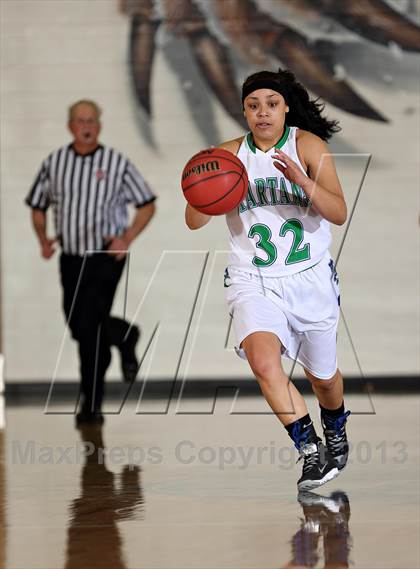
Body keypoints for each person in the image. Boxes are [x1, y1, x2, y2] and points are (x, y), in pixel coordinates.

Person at [185, 69, 350, 491]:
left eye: (271, 104)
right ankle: (310, 449)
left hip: (308, 277)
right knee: (263, 362)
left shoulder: (308, 146)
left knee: (324, 379)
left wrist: (302, 181)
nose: (262, 113)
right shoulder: (226, 155)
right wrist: (205, 191)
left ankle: (335, 425)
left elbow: (338, 212)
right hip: (252, 278)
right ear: (243, 110)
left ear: (285, 107)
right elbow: (192, 221)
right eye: (254, 105)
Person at [26, 100, 156, 426]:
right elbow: (37, 205)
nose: (86, 126)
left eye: (92, 120)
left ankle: (91, 404)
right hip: (70, 257)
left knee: (90, 331)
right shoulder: (54, 162)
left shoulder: (116, 163)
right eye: (80, 120)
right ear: (70, 125)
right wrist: (43, 238)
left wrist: (126, 238)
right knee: (79, 325)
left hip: (104, 257)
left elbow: (146, 204)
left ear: (99, 125)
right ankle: (125, 336)